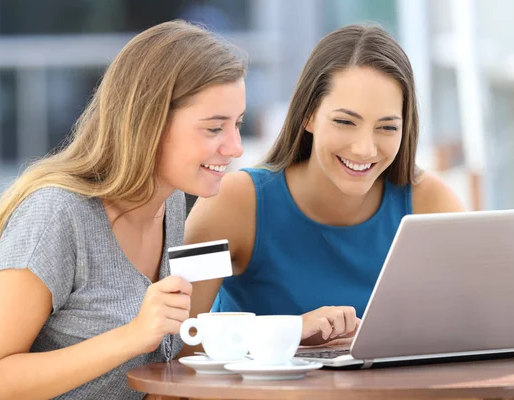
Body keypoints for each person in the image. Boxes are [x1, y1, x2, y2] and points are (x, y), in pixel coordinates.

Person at [0, 20, 246, 399]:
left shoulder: (171, 202)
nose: (236, 147)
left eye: (238, 124)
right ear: (149, 122)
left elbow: (175, 356)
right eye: (214, 129)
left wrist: (289, 335)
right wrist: (132, 336)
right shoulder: (56, 215)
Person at [184, 24, 466, 347]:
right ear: (308, 115)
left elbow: (478, 324)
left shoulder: (429, 204)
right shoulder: (233, 204)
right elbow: (175, 344)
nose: (365, 149)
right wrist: (290, 331)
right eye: (345, 122)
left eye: (387, 127)